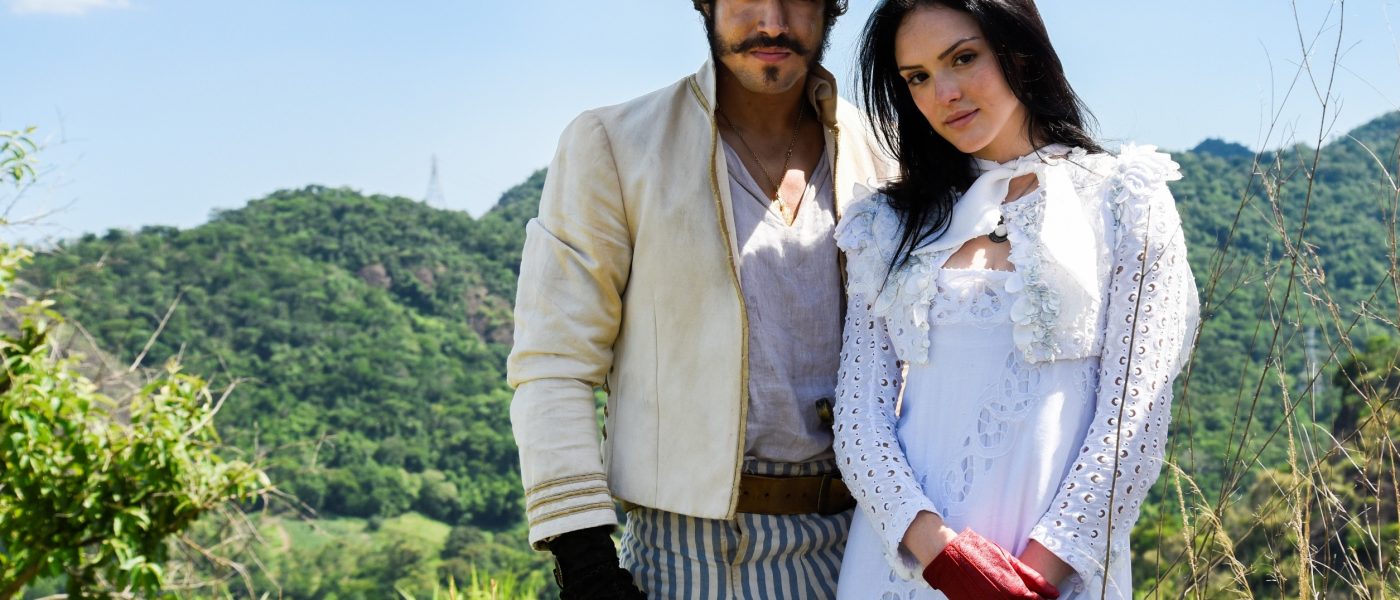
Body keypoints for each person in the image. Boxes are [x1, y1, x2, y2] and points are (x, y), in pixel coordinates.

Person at [507, 0, 895, 597]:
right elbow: (554, 361)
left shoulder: (886, 153)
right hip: (688, 556)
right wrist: (585, 561)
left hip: (869, 546)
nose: (772, 22)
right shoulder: (617, 144)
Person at [830, 1, 1200, 599]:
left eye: (963, 58)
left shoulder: (1125, 200)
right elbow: (859, 423)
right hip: (908, 568)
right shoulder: (885, 225)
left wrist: (1029, 580)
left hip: (1060, 573)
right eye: (918, 77)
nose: (944, 93)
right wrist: (946, 561)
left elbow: (1135, 420)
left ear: (1020, 49)